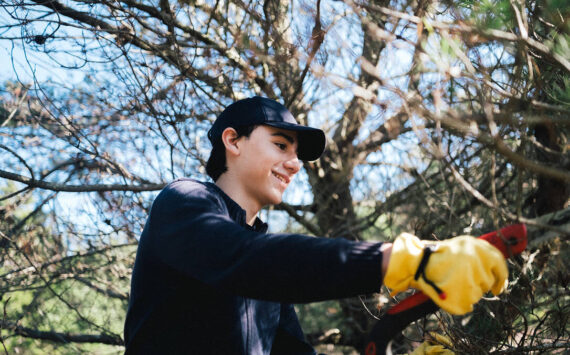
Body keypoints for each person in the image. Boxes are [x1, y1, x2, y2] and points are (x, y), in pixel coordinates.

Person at [123, 96, 509, 354]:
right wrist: (406, 261)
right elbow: (244, 259)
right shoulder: (185, 201)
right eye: (280, 145)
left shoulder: (268, 270)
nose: (294, 163)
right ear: (233, 141)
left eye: (296, 153)